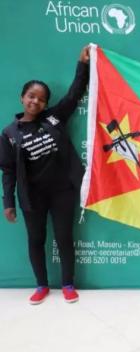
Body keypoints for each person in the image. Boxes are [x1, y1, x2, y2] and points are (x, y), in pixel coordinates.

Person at [0, 46, 90, 305]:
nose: (35, 102)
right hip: (32, 197)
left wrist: (81, 65)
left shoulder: (54, 118)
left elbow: (74, 94)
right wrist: (8, 202)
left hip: (63, 191)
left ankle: (68, 284)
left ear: (46, 103)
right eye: (31, 96)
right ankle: (41, 286)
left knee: (64, 237)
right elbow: (7, 170)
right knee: (36, 239)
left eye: (40, 99)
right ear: (22, 98)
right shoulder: (9, 133)